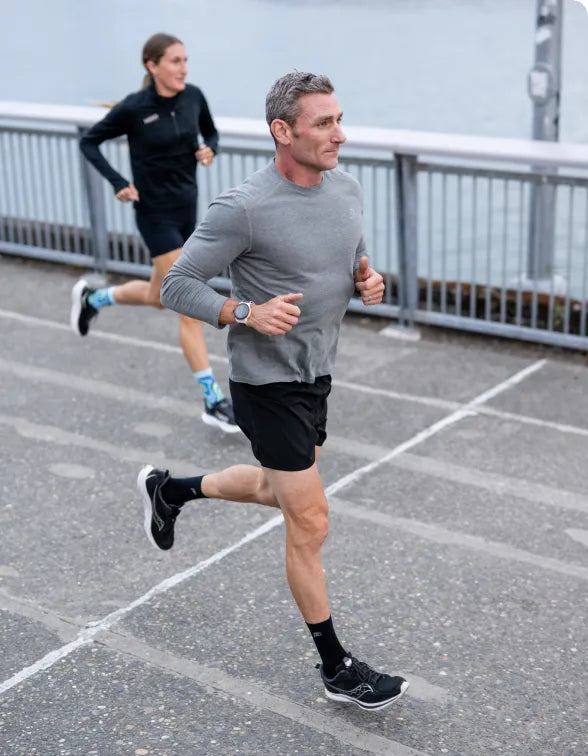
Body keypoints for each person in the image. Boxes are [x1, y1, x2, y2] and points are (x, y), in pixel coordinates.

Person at [137, 72, 409, 710]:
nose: (339, 134)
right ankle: (336, 666)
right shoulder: (244, 207)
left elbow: (350, 263)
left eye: (339, 119)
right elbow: (176, 285)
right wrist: (244, 313)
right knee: (309, 519)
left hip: (315, 373)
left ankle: (169, 490)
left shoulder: (346, 188)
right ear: (282, 132)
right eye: (323, 123)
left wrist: (370, 282)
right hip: (266, 384)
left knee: (273, 487)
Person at [73, 32, 238, 433]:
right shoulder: (134, 108)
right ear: (152, 65)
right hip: (154, 215)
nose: (184, 68)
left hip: (187, 210)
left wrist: (208, 150)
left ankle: (94, 298)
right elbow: (90, 142)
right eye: (175, 61)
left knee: (157, 296)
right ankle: (213, 399)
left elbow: (211, 134)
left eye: (185, 60)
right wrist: (118, 183)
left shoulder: (194, 96)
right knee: (189, 302)